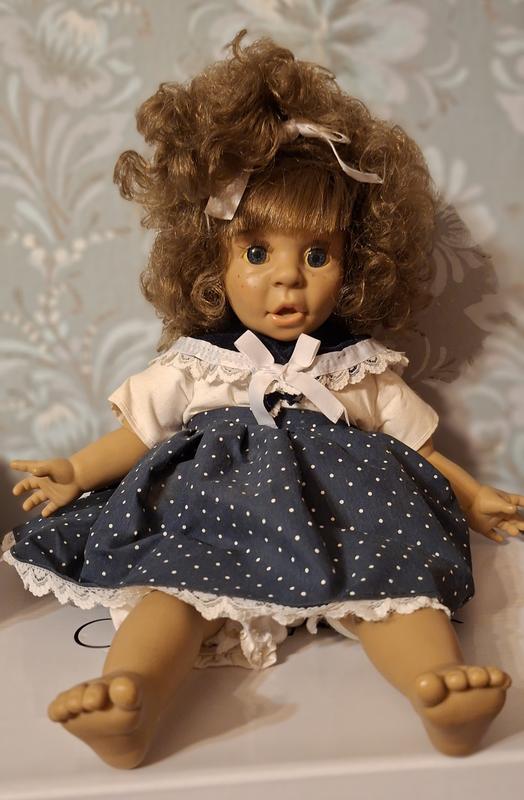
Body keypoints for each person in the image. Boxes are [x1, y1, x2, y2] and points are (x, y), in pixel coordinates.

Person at [4, 31, 522, 769]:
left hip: (350, 518)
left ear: (354, 263)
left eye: (317, 254)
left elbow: (419, 447)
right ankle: (133, 693)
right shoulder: (200, 363)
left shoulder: (358, 367)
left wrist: (475, 498)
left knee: (400, 582)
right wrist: (75, 470)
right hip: (215, 514)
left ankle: (435, 686)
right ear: (209, 260)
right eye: (256, 252)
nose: (288, 278)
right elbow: (143, 431)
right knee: (172, 586)